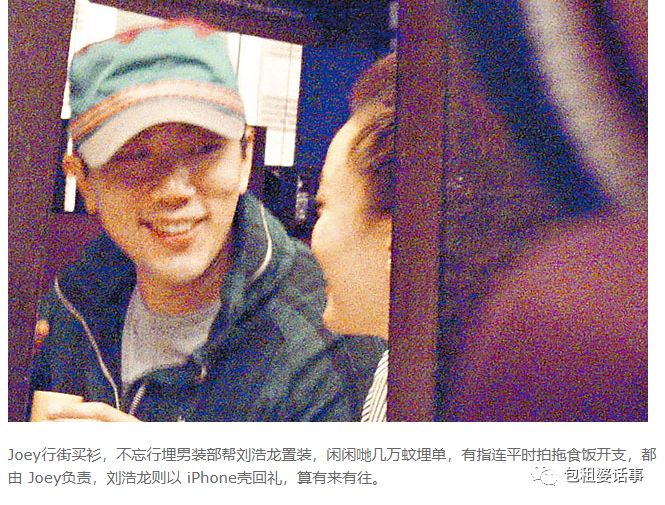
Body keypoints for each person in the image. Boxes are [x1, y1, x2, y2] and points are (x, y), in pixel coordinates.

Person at [29, 18, 379, 422]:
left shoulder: (325, 342)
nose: (174, 189)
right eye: (135, 157)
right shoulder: (73, 300)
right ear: (84, 181)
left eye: (202, 150)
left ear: (245, 158)